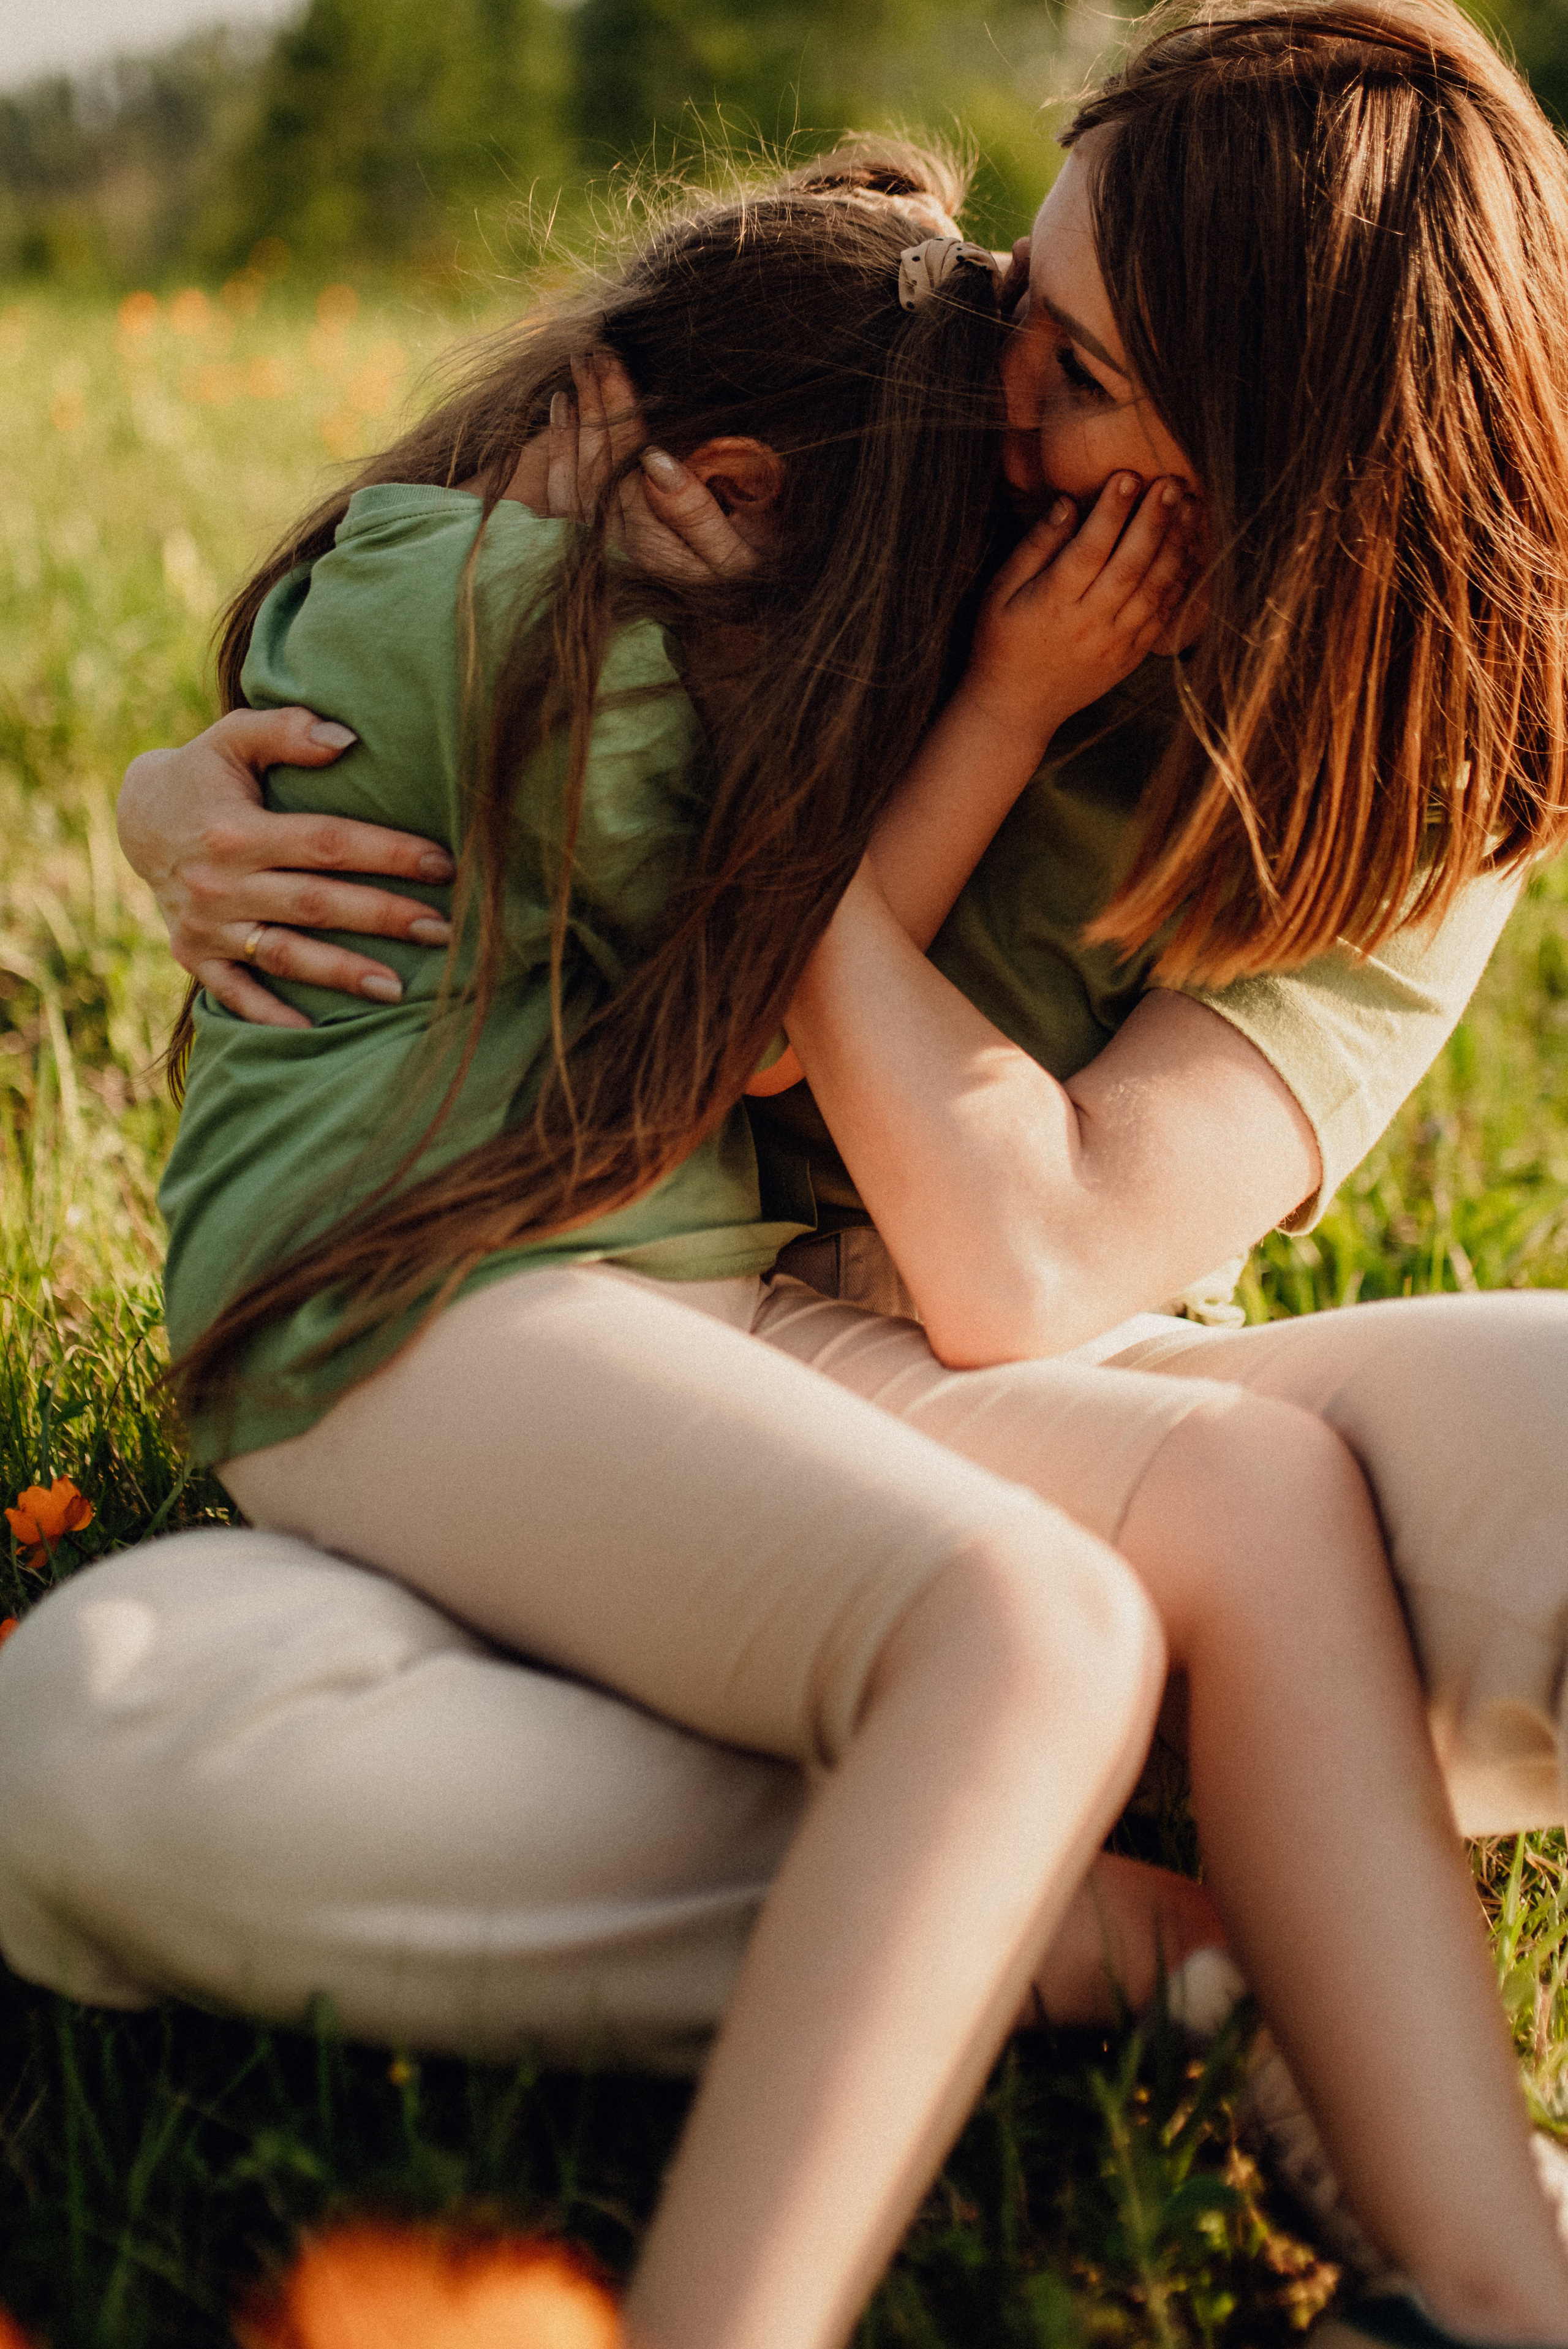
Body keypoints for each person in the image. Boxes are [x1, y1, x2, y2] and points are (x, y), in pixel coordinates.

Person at [6, 7, 1568, 2345]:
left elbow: (1022, 1264)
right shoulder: (901, 456)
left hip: (956, 1363)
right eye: (1032, 294)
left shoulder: (1398, 766)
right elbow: (460, 670)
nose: (998, 391)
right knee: (108, 1734)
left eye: (1090, 374)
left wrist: (858, 767)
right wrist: (182, 799)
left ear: (1286, 469)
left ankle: (1485, 2275)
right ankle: (1124, 1913)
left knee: (1237, 1515)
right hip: (579, 1361)